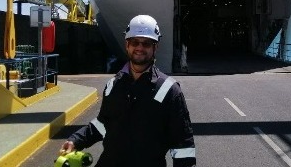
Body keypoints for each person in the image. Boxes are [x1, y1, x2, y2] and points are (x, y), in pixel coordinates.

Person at [60, 15, 196, 167]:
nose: (139, 47)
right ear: (127, 45)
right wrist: (76, 140)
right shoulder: (113, 85)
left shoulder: (170, 91)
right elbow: (103, 124)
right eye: (134, 42)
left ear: (155, 47)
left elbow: (183, 146)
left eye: (146, 43)